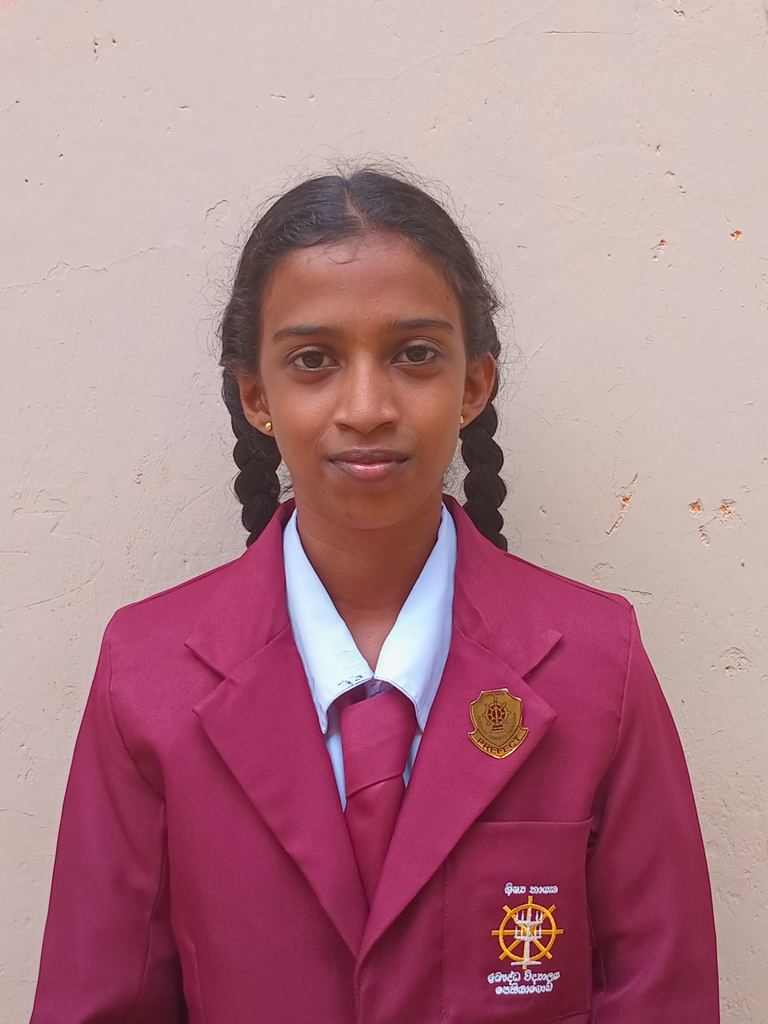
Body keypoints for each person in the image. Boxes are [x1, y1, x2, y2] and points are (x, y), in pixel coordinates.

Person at [29, 166, 719, 1023]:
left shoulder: (594, 664)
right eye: (313, 360)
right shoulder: (148, 673)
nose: (366, 406)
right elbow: (100, 1000)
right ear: (256, 396)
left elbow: (663, 996)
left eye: (415, 355)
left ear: (474, 386)